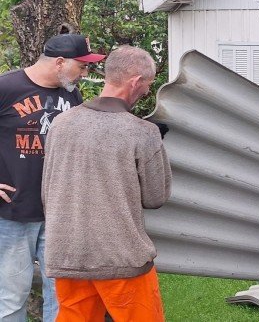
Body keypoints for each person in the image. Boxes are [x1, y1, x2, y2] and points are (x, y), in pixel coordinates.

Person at [42, 45, 171, 322]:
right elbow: (155, 197)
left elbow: (47, 191)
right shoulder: (143, 132)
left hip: (68, 255)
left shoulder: (61, 124)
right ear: (136, 82)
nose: (147, 91)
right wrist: (156, 145)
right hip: (121, 259)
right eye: (148, 85)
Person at [0, 33, 104, 322]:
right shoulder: (6, 87)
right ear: (60, 62)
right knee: (9, 298)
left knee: (62, 298)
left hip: (60, 214)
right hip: (12, 213)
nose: (84, 74)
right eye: (82, 67)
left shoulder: (71, 94)